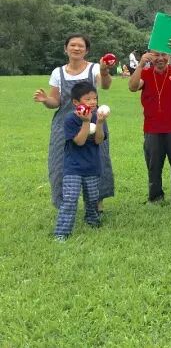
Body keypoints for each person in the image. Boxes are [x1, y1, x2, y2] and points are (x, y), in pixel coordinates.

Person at [33, 34, 115, 210]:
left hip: (93, 121)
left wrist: (104, 70)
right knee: (59, 161)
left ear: (87, 50)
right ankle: (64, 204)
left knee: (97, 159)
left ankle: (97, 203)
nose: (76, 48)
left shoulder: (94, 69)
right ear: (65, 49)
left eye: (81, 46)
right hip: (65, 123)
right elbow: (55, 102)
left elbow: (106, 85)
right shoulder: (58, 72)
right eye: (72, 45)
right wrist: (45, 100)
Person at [128, 37, 171, 204]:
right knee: (153, 165)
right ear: (150, 55)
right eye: (156, 55)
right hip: (152, 128)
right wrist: (140, 65)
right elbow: (133, 87)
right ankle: (155, 197)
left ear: (169, 56)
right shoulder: (145, 73)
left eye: (164, 55)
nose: (160, 58)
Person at [54, 82, 108, 241]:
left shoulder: (97, 116)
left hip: (92, 166)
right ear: (76, 102)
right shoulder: (70, 119)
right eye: (88, 99)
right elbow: (79, 142)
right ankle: (62, 233)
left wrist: (99, 123)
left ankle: (92, 221)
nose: (93, 102)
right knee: (70, 199)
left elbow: (98, 140)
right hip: (73, 168)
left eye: (95, 98)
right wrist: (85, 122)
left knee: (92, 198)